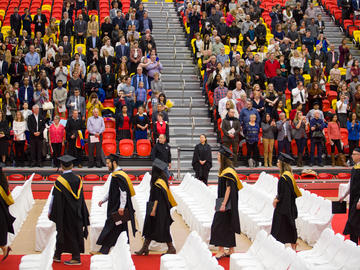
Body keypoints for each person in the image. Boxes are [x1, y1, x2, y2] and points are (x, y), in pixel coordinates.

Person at [49, 155, 90, 265]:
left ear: (62, 166)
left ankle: (76, 258)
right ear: (72, 165)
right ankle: (57, 254)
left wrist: (51, 211)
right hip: (77, 212)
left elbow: (54, 198)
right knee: (70, 232)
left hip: (64, 212)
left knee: (65, 232)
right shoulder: (78, 179)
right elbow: (81, 197)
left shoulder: (59, 181)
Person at [94, 154, 136, 254]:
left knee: (111, 226)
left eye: (108, 163)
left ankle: (104, 249)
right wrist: (103, 200)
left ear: (114, 163)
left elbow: (124, 193)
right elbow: (112, 191)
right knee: (120, 227)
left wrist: (121, 207)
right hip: (114, 205)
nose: (107, 165)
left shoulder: (119, 176)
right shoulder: (115, 175)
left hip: (117, 207)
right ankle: (124, 247)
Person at [135, 159, 177, 255]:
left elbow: (157, 198)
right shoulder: (162, 180)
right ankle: (145, 248)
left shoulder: (158, 183)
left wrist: (153, 210)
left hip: (158, 209)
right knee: (150, 227)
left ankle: (171, 248)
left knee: (161, 228)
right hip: (158, 208)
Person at [210, 145, 242, 259]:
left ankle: (221, 250)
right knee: (228, 225)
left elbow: (228, 188)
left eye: (219, 155)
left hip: (226, 202)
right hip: (225, 201)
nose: (217, 156)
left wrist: (223, 204)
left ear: (223, 157)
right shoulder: (226, 170)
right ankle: (231, 249)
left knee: (217, 225)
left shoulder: (228, 171)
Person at [271, 152, 302, 250]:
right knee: (288, 227)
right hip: (288, 205)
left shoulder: (284, 178)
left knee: (281, 227)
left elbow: (285, 194)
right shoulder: (288, 175)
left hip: (285, 207)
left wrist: (277, 200)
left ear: (282, 164)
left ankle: (287, 247)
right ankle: (292, 245)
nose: (277, 163)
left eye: (278, 162)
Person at [340, 147, 360, 245]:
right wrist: (344, 195)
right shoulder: (355, 168)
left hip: (358, 200)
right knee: (353, 222)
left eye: (354, 154)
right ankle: (354, 243)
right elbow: (350, 183)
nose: (352, 156)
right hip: (353, 199)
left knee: (354, 221)